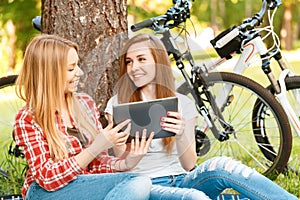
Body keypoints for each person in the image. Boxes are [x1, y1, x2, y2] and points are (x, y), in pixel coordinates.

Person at [104, 33, 298, 200]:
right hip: (146, 185)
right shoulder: (118, 104)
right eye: (129, 62)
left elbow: (189, 164)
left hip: (184, 179)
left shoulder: (183, 104)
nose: (133, 67)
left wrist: (180, 135)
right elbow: (121, 161)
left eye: (141, 59)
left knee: (223, 165)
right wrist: (135, 153)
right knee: (195, 198)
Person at [13, 34, 154, 200]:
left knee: (184, 197)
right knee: (138, 182)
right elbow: (47, 177)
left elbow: (95, 166)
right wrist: (96, 147)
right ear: (49, 74)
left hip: (85, 186)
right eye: (71, 68)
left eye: (77, 65)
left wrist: (127, 163)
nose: (79, 72)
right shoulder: (29, 118)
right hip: (45, 193)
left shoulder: (85, 104)